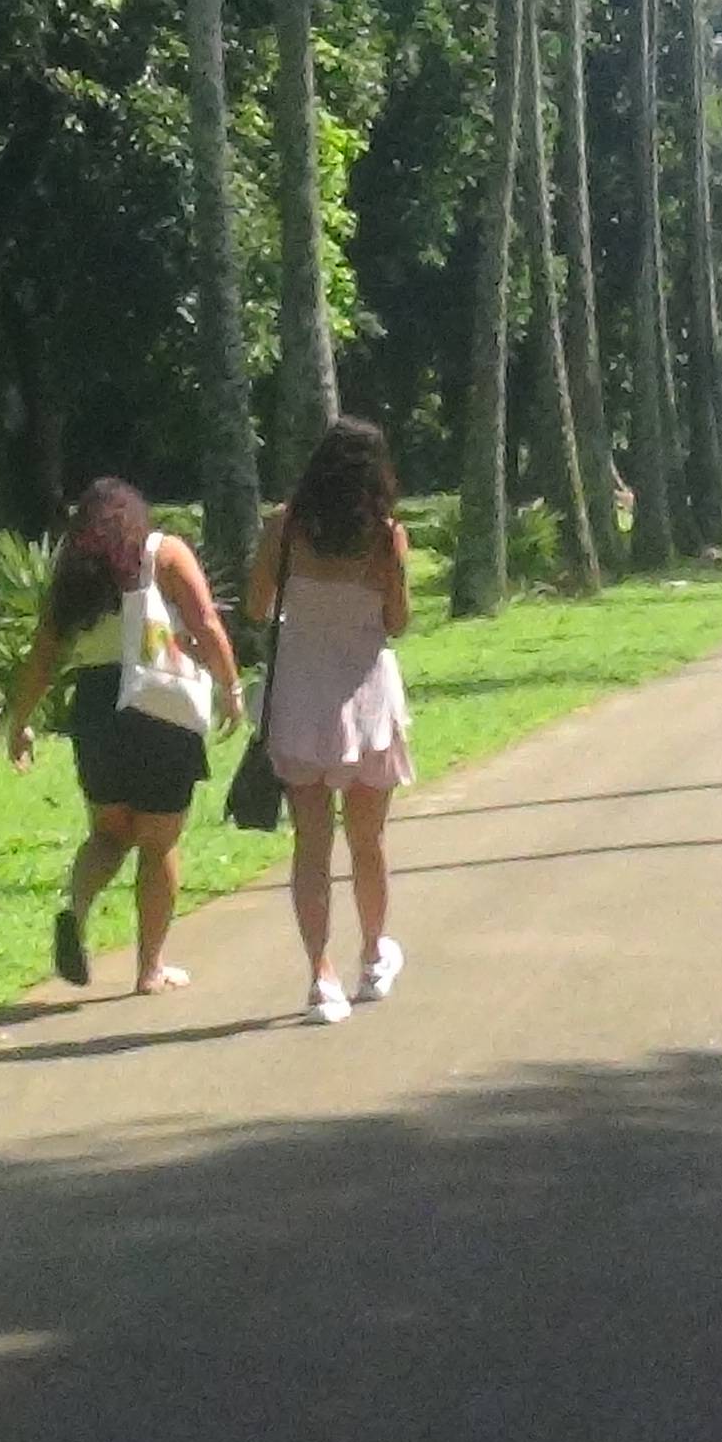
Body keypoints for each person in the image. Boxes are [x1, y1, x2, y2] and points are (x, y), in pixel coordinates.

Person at [4, 476, 237, 993]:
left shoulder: (74, 575)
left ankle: (75, 905)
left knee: (109, 832)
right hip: (158, 702)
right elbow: (204, 622)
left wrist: (19, 721)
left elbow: (43, 654)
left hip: (95, 705)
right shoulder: (165, 552)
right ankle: (150, 968)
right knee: (159, 842)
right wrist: (231, 686)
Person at [248, 415, 417, 1023]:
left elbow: (257, 604)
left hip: (301, 694)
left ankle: (321, 977)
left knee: (310, 843)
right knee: (368, 840)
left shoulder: (284, 529)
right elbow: (396, 622)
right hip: (366, 691)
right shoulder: (385, 537)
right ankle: (373, 956)